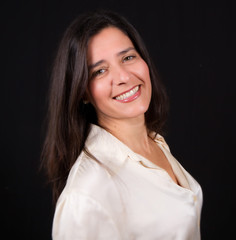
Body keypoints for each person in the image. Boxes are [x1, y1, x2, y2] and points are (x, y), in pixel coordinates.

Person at [42, 9, 203, 239]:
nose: (123, 77)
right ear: (83, 93)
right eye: (100, 71)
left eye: (128, 57)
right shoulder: (86, 196)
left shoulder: (153, 142)